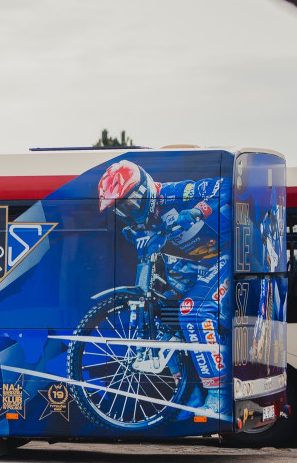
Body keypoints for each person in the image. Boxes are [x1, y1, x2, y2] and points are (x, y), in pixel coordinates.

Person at [97, 160, 230, 417]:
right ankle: (190, 392)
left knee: (193, 312)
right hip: (194, 265)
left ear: (145, 189)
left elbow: (228, 186)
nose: (130, 211)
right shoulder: (137, 225)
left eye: (131, 202)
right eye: (121, 208)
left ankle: (220, 393)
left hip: (224, 256)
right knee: (162, 320)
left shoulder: (175, 193)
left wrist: (197, 211)